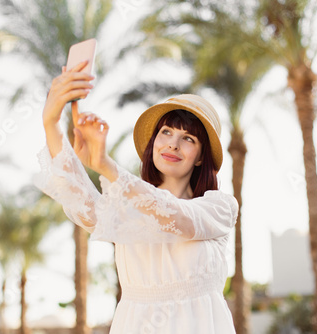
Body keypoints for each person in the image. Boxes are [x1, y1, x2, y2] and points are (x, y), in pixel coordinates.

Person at [35, 60, 239, 334]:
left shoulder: (219, 207)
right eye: (166, 132)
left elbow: (178, 219)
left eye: (188, 138)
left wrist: (106, 166)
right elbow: (82, 203)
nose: (172, 144)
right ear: (153, 142)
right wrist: (51, 123)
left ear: (201, 156)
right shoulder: (127, 208)